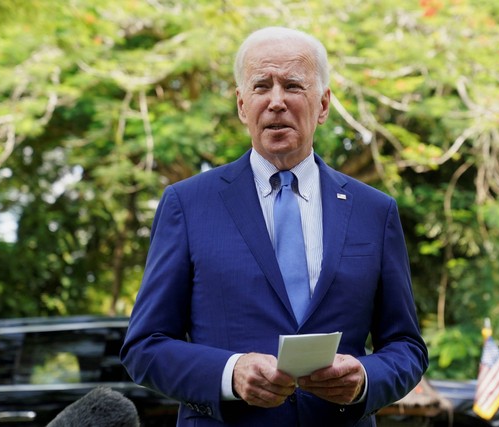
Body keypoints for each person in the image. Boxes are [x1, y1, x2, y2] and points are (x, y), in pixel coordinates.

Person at [120, 26, 428, 427]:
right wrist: (231, 373)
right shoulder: (188, 204)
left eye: (293, 85)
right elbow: (145, 346)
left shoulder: (374, 210)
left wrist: (366, 379)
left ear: (323, 104)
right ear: (242, 104)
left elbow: (406, 346)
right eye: (262, 85)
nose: (277, 101)